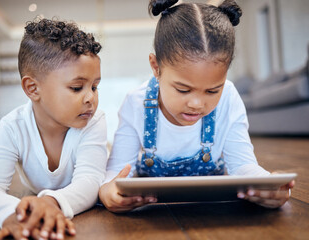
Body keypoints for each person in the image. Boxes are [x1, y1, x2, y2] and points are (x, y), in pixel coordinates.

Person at [99, 0, 294, 213]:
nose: (197, 104)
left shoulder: (229, 97)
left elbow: (243, 166)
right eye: (183, 90)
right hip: (153, 215)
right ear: (156, 67)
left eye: (212, 91)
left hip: (214, 212)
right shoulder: (136, 103)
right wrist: (108, 191)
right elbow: (117, 171)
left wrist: (268, 184)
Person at [0, 19, 108, 240]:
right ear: (32, 88)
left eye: (95, 86)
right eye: (76, 87)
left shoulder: (94, 121)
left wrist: (49, 203)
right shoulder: (12, 127)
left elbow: (90, 182)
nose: (91, 97)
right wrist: (12, 214)